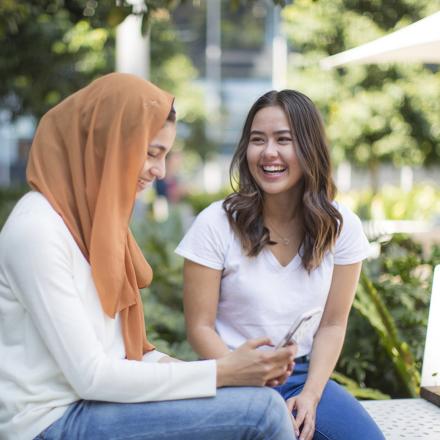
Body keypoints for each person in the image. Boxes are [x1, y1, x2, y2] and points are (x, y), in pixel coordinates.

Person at [0, 73, 298, 440]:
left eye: (165, 155)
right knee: (262, 412)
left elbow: (131, 355)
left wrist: (232, 374)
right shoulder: (37, 230)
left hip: (92, 407)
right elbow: (92, 376)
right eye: (151, 152)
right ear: (106, 143)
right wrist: (222, 373)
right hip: (50, 422)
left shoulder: (93, 223)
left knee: (251, 397)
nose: (159, 170)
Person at [176, 90, 385, 440]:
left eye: (283, 140)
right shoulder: (215, 223)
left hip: (303, 375)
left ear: (308, 147)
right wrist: (246, 377)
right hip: (231, 374)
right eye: (258, 140)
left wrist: (312, 396)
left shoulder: (341, 226)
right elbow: (199, 328)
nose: (268, 152)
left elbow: (333, 325)